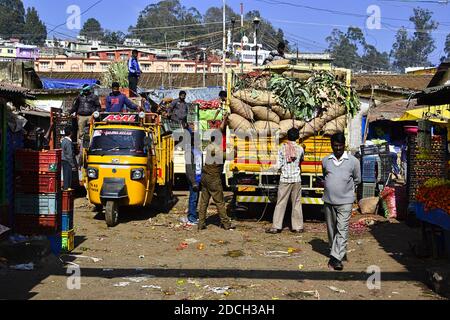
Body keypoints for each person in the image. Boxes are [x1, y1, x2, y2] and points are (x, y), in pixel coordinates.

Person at [322, 133, 361, 271]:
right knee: (332, 229)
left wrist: (346, 190)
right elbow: (325, 175)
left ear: (344, 145)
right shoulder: (326, 160)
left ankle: (336, 259)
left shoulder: (353, 161)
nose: (337, 148)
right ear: (332, 145)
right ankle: (336, 250)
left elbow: (357, 179)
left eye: (340, 146)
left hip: (345, 201)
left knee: (342, 228)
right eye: (335, 146)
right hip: (329, 200)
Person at [198, 114, 235, 231]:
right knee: (219, 202)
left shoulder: (210, 145)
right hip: (213, 178)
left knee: (204, 202)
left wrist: (224, 119)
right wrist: (236, 148)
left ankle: (201, 224)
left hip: (205, 177)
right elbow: (230, 156)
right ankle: (226, 224)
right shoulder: (217, 150)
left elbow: (219, 130)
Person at [266, 128, 305, 234]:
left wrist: (270, 168)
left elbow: (279, 164)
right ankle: (297, 227)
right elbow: (301, 160)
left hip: (285, 179)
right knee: (296, 203)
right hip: (296, 179)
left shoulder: (282, 148)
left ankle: (276, 227)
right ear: (297, 137)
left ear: (287, 136)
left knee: (281, 203)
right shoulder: (300, 149)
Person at [182, 130, 203, 226]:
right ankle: (191, 218)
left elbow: (200, 166)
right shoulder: (189, 152)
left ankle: (193, 215)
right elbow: (189, 169)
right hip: (193, 179)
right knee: (193, 198)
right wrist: (193, 181)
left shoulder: (198, 152)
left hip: (199, 178)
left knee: (196, 197)